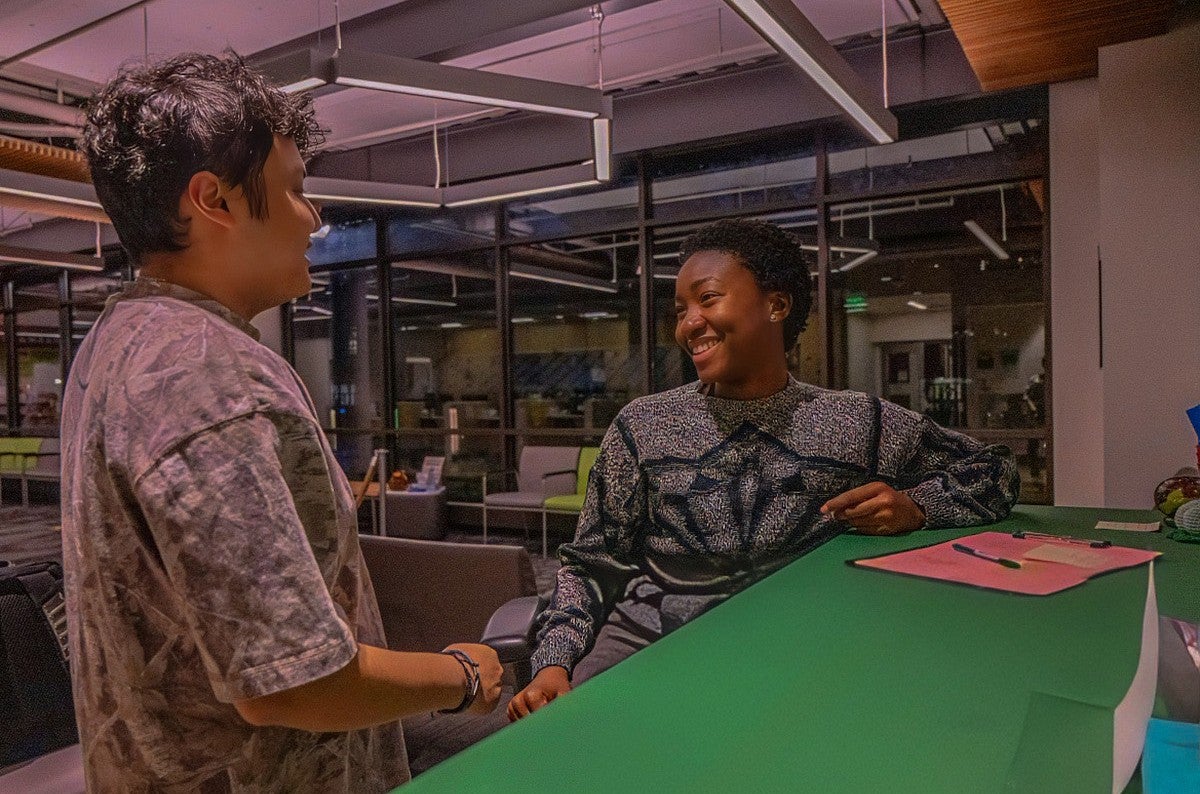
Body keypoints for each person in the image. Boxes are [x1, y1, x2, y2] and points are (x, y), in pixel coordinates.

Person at [62, 52, 502, 792]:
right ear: (216, 201)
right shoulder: (206, 372)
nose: (314, 218)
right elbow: (292, 683)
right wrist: (458, 675)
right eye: (295, 190)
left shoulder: (122, 341)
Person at [509, 219, 1020, 720]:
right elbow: (591, 563)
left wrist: (917, 507)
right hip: (650, 643)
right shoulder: (641, 425)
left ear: (776, 305)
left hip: (797, 651)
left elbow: (995, 471)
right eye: (682, 309)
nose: (688, 323)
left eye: (707, 299)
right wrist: (554, 661)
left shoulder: (855, 421)